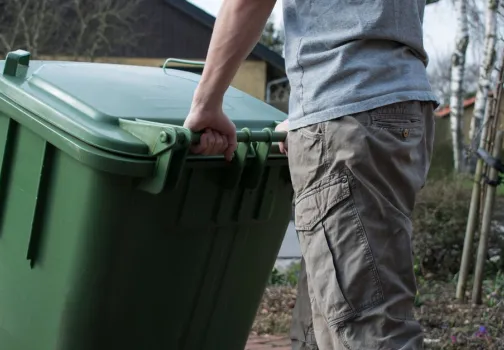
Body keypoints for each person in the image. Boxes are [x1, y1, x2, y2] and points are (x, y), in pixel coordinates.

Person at [183, 0, 440, 348]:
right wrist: (309, 112)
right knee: (335, 319)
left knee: (367, 329)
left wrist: (206, 104)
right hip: (399, 104)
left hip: (347, 104)